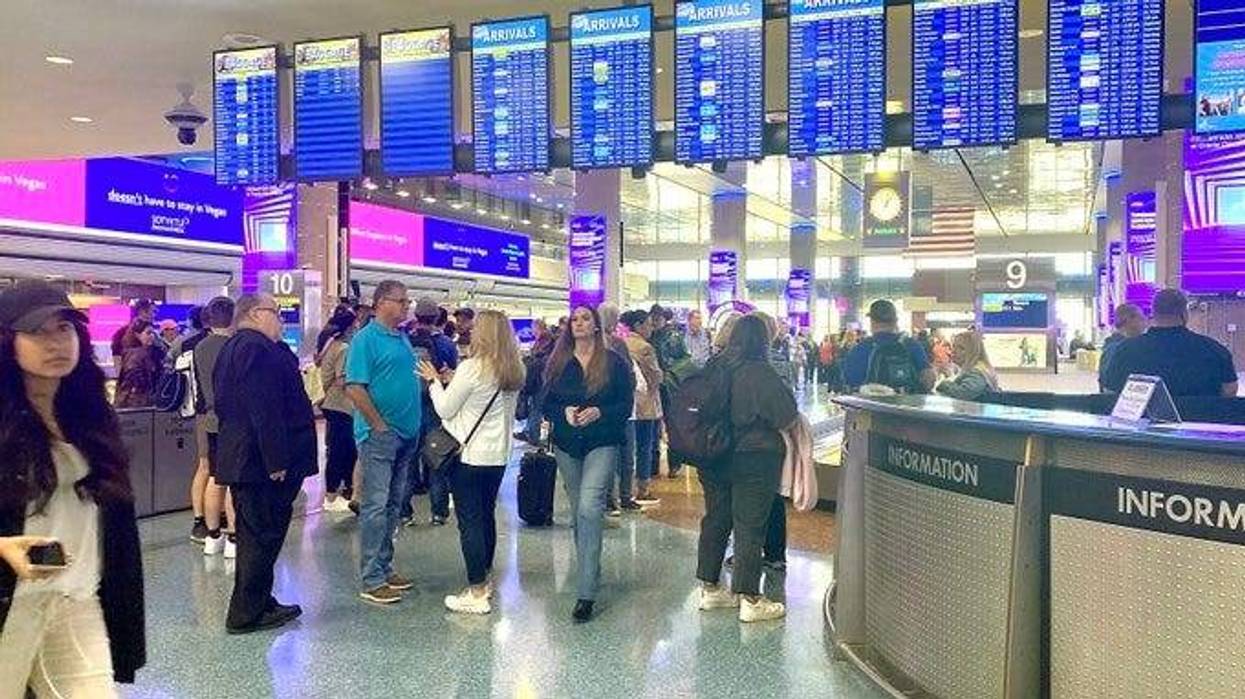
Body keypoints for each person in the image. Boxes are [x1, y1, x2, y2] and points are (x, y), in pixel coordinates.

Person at [0, 280, 146, 693]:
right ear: (8, 341)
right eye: (38, 332)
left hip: (76, 598)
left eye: (64, 329)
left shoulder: (91, 416)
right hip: (11, 601)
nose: (55, 343)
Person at [213, 294, 317, 634]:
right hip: (261, 464)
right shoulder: (256, 349)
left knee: (256, 534)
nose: (281, 320)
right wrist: (276, 459)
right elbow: (264, 408)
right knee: (262, 536)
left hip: (247, 458)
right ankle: (246, 613)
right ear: (256, 314)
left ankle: (257, 599)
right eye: (277, 312)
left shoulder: (233, 347)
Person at [695, 314, 799, 623]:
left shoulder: (714, 367)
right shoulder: (761, 372)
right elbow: (786, 416)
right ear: (763, 341)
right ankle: (751, 598)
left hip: (713, 455)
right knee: (750, 525)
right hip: (754, 457)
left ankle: (711, 589)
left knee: (715, 519)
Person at [421, 310, 524, 615]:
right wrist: (453, 381)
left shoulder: (471, 368)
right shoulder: (515, 370)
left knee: (469, 522)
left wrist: (433, 383)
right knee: (486, 516)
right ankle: (486, 578)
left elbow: (446, 409)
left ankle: (477, 591)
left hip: (468, 456)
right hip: (498, 456)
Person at [543, 305, 635, 623]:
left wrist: (601, 412)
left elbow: (626, 403)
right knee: (578, 513)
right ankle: (589, 569)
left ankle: (585, 593)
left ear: (596, 325)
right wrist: (563, 412)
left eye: (585, 319)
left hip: (602, 441)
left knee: (588, 507)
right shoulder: (558, 362)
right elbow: (546, 403)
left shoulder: (614, 363)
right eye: (575, 319)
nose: (579, 323)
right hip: (568, 444)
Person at [346, 281, 422, 605]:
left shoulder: (401, 337)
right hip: (381, 436)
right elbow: (355, 386)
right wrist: (377, 424)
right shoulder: (366, 340)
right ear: (380, 303)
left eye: (408, 301)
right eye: (401, 301)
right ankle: (371, 577)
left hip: (407, 433)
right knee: (376, 506)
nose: (406, 306)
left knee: (393, 504)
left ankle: (384, 565)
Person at [1101, 288, 1238, 397]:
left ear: (1153, 313)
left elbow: (1110, 392)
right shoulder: (1214, 349)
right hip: (1199, 426)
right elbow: (1230, 390)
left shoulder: (1125, 350)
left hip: (1147, 429)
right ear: (1185, 313)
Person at [405, 297, 459, 527]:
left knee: (408, 459)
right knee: (437, 458)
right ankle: (438, 512)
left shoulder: (405, 340)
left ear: (416, 316)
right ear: (437, 317)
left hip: (408, 407)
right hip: (436, 407)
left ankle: (405, 512)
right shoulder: (446, 344)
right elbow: (452, 375)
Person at [194, 297, 238, 559]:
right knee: (233, 480)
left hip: (209, 420)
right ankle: (233, 537)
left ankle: (212, 536)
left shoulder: (200, 347)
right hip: (232, 421)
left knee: (214, 477)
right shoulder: (234, 347)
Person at [841, 300, 935, 394]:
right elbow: (929, 379)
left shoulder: (860, 349)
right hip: (908, 405)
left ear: (872, 321)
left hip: (871, 406)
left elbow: (849, 384)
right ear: (895, 320)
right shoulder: (911, 345)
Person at [318, 307, 358, 513]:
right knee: (341, 450)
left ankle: (339, 490)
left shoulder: (331, 344)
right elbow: (343, 379)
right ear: (351, 325)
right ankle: (332, 494)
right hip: (342, 404)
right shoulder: (343, 348)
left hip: (333, 404)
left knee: (339, 448)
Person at [597, 304, 635, 519]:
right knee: (625, 455)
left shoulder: (591, 345)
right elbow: (629, 374)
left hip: (599, 408)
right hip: (620, 407)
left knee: (606, 455)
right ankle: (625, 496)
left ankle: (608, 499)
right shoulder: (618, 344)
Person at [622, 310, 663, 506]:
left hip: (628, 405)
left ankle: (624, 488)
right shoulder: (645, 348)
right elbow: (655, 376)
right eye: (647, 324)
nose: (651, 328)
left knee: (628, 449)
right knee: (645, 446)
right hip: (645, 403)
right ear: (638, 326)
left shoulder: (621, 343)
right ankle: (643, 489)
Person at [935, 330, 1000, 401]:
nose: (954, 351)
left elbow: (963, 393)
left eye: (961, 348)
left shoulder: (977, 373)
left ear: (974, 352)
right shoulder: (981, 368)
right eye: (954, 346)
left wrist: (944, 384)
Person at [1098, 303, 1148, 390]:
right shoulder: (1121, 349)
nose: (1145, 321)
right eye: (1141, 318)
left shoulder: (1110, 346)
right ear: (1129, 320)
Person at [114, 320, 161, 408]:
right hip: (135, 403)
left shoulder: (145, 352)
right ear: (137, 335)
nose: (152, 336)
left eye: (153, 333)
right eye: (148, 333)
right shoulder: (136, 354)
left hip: (136, 401)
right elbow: (133, 376)